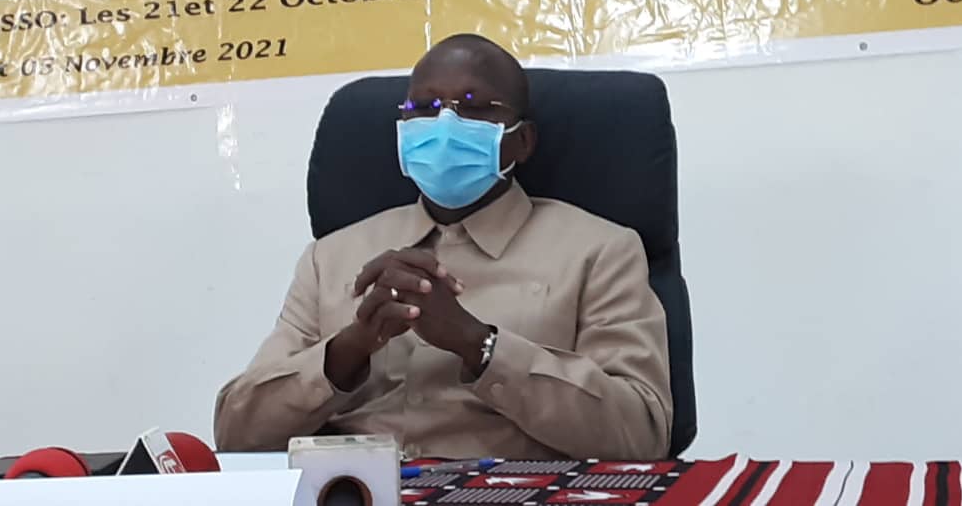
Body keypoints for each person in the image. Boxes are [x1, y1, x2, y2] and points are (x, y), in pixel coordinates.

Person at [214, 34, 673, 460]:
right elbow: (236, 434)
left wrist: (478, 344)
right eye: (424, 107)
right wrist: (349, 350)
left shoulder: (599, 251)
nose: (444, 124)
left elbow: (642, 433)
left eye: (474, 107)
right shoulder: (330, 257)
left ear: (523, 140)